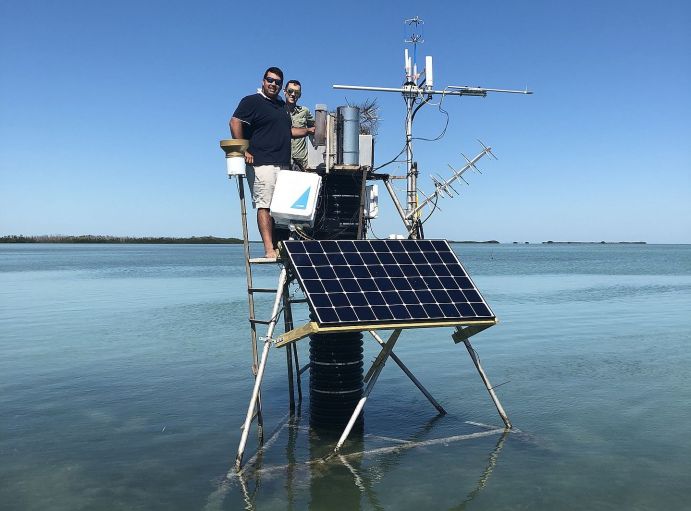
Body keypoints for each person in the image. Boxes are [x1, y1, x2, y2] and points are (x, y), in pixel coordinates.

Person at [230, 67, 292, 259]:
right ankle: (268, 249)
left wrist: (309, 130)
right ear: (263, 81)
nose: (273, 84)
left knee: (281, 208)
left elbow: (287, 132)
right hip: (262, 163)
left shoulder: (281, 106)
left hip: (283, 164)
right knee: (264, 205)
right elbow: (234, 122)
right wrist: (243, 150)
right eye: (270, 80)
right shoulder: (252, 101)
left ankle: (281, 246)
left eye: (277, 82)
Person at [284, 80, 315, 171]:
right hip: (282, 161)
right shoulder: (278, 111)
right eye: (290, 91)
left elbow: (316, 126)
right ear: (284, 91)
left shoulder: (304, 111)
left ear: (300, 95)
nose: (293, 94)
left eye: (297, 92)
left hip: (301, 163)